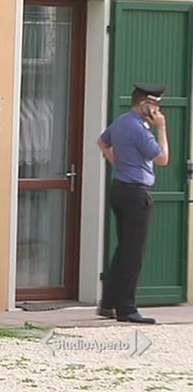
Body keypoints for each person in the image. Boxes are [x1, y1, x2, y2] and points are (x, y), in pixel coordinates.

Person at [96, 83, 169, 324]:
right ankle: (126, 307)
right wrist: (162, 128)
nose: (158, 110)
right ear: (144, 104)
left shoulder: (121, 121)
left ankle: (109, 303)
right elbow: (162, 158)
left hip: (120, 189)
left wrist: (118, 163)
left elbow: (102, 142)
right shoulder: (138, 128)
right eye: (155, 104)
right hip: (136, 193)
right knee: (133, 253)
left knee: (123, 250)